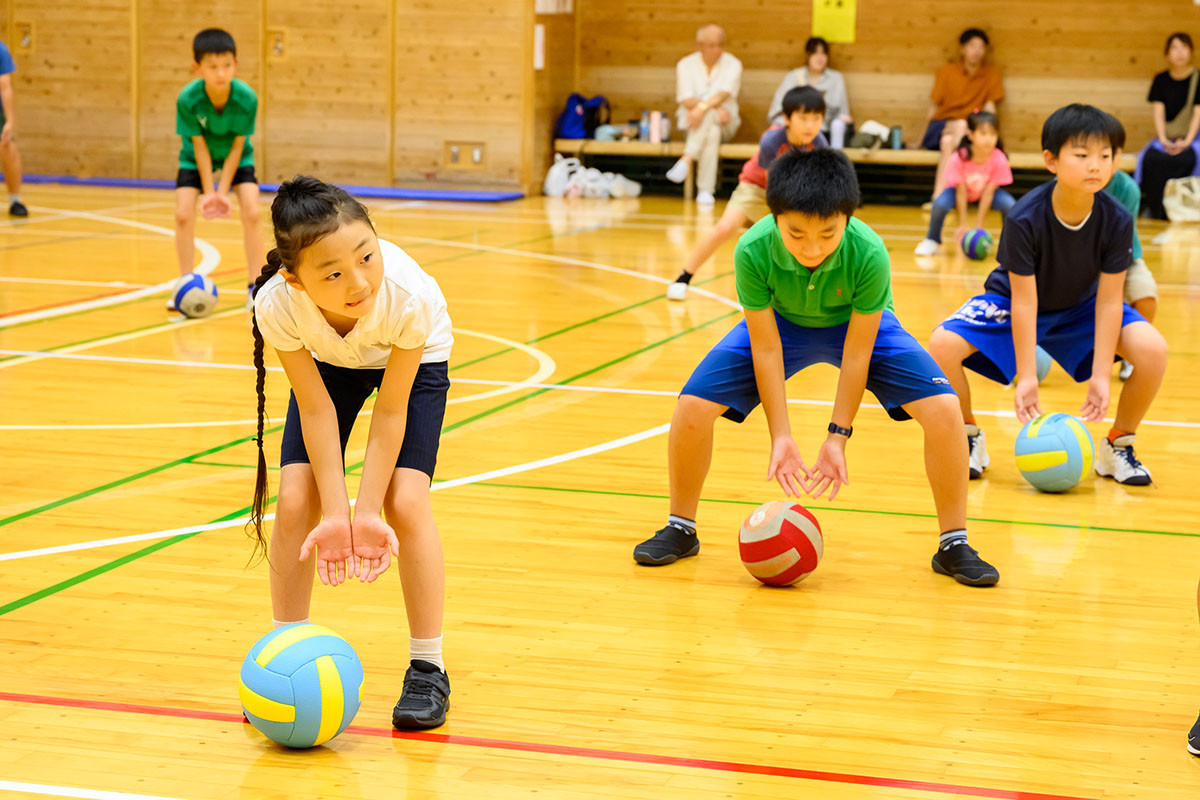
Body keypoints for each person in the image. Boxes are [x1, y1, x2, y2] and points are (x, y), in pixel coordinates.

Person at [637, 148, 1000, 587]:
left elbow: (857, 353)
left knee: (944, 409)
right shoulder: (752, 249)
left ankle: (953, 542)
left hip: (859, 326)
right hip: (782, 326)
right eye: (796, 234)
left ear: (847, 219)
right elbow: (766, 349)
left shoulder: (870, 253)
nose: (813, 249)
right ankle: (681, 527)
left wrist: (837, 435)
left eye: (828, 234)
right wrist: (781, 435)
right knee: (692, 407)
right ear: (773, 219)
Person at [249, 177, 454, 731]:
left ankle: (428, 666)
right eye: (333, 273)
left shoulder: (407, 300)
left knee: (405, 503)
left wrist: (365, 513)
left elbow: (390, 415)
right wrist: (334, 515)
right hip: (329, 363)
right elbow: (315, 412)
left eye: (367, 256)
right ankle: (281, 658)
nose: (358, 281)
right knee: (294, 502)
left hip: (409, 361)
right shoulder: (278, 306)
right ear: (294, 278)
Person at [928, 104, 1168, 486]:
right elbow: (1024, 301)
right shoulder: (1025, 218)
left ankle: (1118, 444)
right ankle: (969, 435)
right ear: (1051, 160)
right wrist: (1027, 377)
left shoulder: (1117, 219)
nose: (1096, 165)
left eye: (1106, 156)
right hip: (1013, 302)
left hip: (1082, 308)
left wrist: (1103, 374)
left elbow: (1109, 301)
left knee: (1153, 350)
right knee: (942, 345)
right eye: (1083, 154)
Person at [667, 87, 827, 301]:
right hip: (756, 188)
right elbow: (774, 188)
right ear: (787, 118)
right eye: (803, 118)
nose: (810, 125)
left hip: (793, 194)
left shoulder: (820, 145)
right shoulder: (772, 140)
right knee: (725, 228)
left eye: (816, 119)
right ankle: (683, 277)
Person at [173, 28, 263, 311]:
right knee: (183, 215)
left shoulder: (247, 97)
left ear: (236, 63)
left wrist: (221, 192)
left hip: (236, 158)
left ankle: (255, 286)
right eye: (212, 67)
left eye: (227, 65)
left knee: (253, 211)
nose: (221, 73)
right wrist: (208, 190)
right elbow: (199, 148)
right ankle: (185, 284)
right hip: (194, 158)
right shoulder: (187, 99)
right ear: (197, 67)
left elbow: (238, 146)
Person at [921, 28, 1004, 201]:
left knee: (948, 143)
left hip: (970, 131)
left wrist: (991, 135)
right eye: (972, 46)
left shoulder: (991, 74)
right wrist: (920, 139)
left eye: (981, 47)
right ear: (962, 49)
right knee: (957, 127)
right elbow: (934, 108)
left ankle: (940, 196)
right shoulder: (946, 72)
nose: (976, 51)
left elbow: (990, 109)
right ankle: (961, 191)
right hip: (942, 126)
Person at [915, 111, 1014, 255]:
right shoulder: (959, 157)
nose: (989, 139)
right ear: (971, 134)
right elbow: (960, 192)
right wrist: (961, 225)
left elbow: (988, 193)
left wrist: (978, 226)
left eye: (993, 134)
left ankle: (1010, 245)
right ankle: (932, 240)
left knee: (1010, 205)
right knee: (939, 204)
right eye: (983, 134)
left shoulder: (999, 159)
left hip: (986, 193)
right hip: (960, 192)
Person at [665, 24, 742, 206]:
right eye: (711, 45)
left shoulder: (733, 64)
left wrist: (701, 108)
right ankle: (705, 191)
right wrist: (709, 108)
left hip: (726, 122)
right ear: (700, 46)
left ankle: (686, 159)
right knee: (711, 130)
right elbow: (685, 99)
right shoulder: (685, 65)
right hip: (694, 124)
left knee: (711, 122)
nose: (717, 50)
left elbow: (724, 94)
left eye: (720, 44)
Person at [1102, 127, 1156, 380]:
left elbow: (1122, 240)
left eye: (1106, 155)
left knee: (1145, 294)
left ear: (1118, 156)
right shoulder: (1071, 186)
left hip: (1124, 257)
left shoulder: (1127, 189)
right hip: (1079, 259)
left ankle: (1129, 357)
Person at [1136, 32, 1200, 219]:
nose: (1179, 52)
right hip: (1165, 138)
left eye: (1184, 47)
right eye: (1175, 47)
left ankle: (1187, 208)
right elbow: (1159, 112)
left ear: (1191, 51)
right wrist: (1164, 140)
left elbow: (1198, 113)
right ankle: (1156, 210)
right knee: (1151, 158)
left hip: (1194, 138)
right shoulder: (1161, 79)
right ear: (1167, 53)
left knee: (1187, 158)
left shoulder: (1198, 78)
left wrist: (1187, 142)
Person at [767, 37, 852, 148]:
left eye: (823, 53)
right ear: (807, 55)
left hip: (823, 129)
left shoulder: (836, 78)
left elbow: (843, 113)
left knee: (836, 125)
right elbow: (775, 113)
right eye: (815, 53)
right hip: (795, 130)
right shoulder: (794, 77)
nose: (820, 58)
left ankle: (836, 162)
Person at [0, 38, 25, 217]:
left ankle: (15, 200)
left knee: (8, 146)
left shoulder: (1, 50)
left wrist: (9, 121)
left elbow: (5, 87)